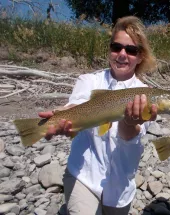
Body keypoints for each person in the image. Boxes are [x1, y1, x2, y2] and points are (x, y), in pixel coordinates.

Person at [39, 16, 157, 215]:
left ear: (140, 56)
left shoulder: (145, 93)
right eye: (116, 47)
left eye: (131, 50)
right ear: (109, 50)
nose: (122, 54)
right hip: (83, 176)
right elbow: (77, 104)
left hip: (120, 186)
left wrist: (129, 123)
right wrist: (63, 115)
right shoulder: (88, 80)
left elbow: (132, 136)